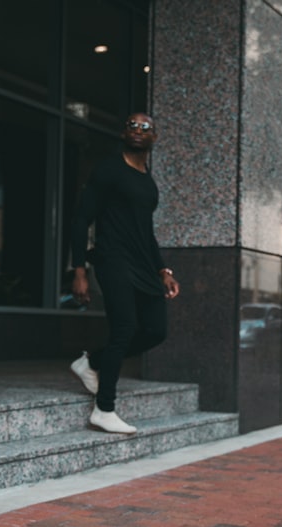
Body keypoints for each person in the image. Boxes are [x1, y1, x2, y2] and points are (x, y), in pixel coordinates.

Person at [68, 112, 180, 435]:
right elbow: (80, 220)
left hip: (143, 264)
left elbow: (146, 234)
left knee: (156, 330)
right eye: (132, 124)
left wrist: (163, 271)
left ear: (154, 138)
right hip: (112, 258)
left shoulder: (147, 181)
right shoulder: (109, 170)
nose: (138, 129)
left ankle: (91, 363)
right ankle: (104, 409)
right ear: (123, 132)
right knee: (125, 326)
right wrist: (79, 270)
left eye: (146, 127)